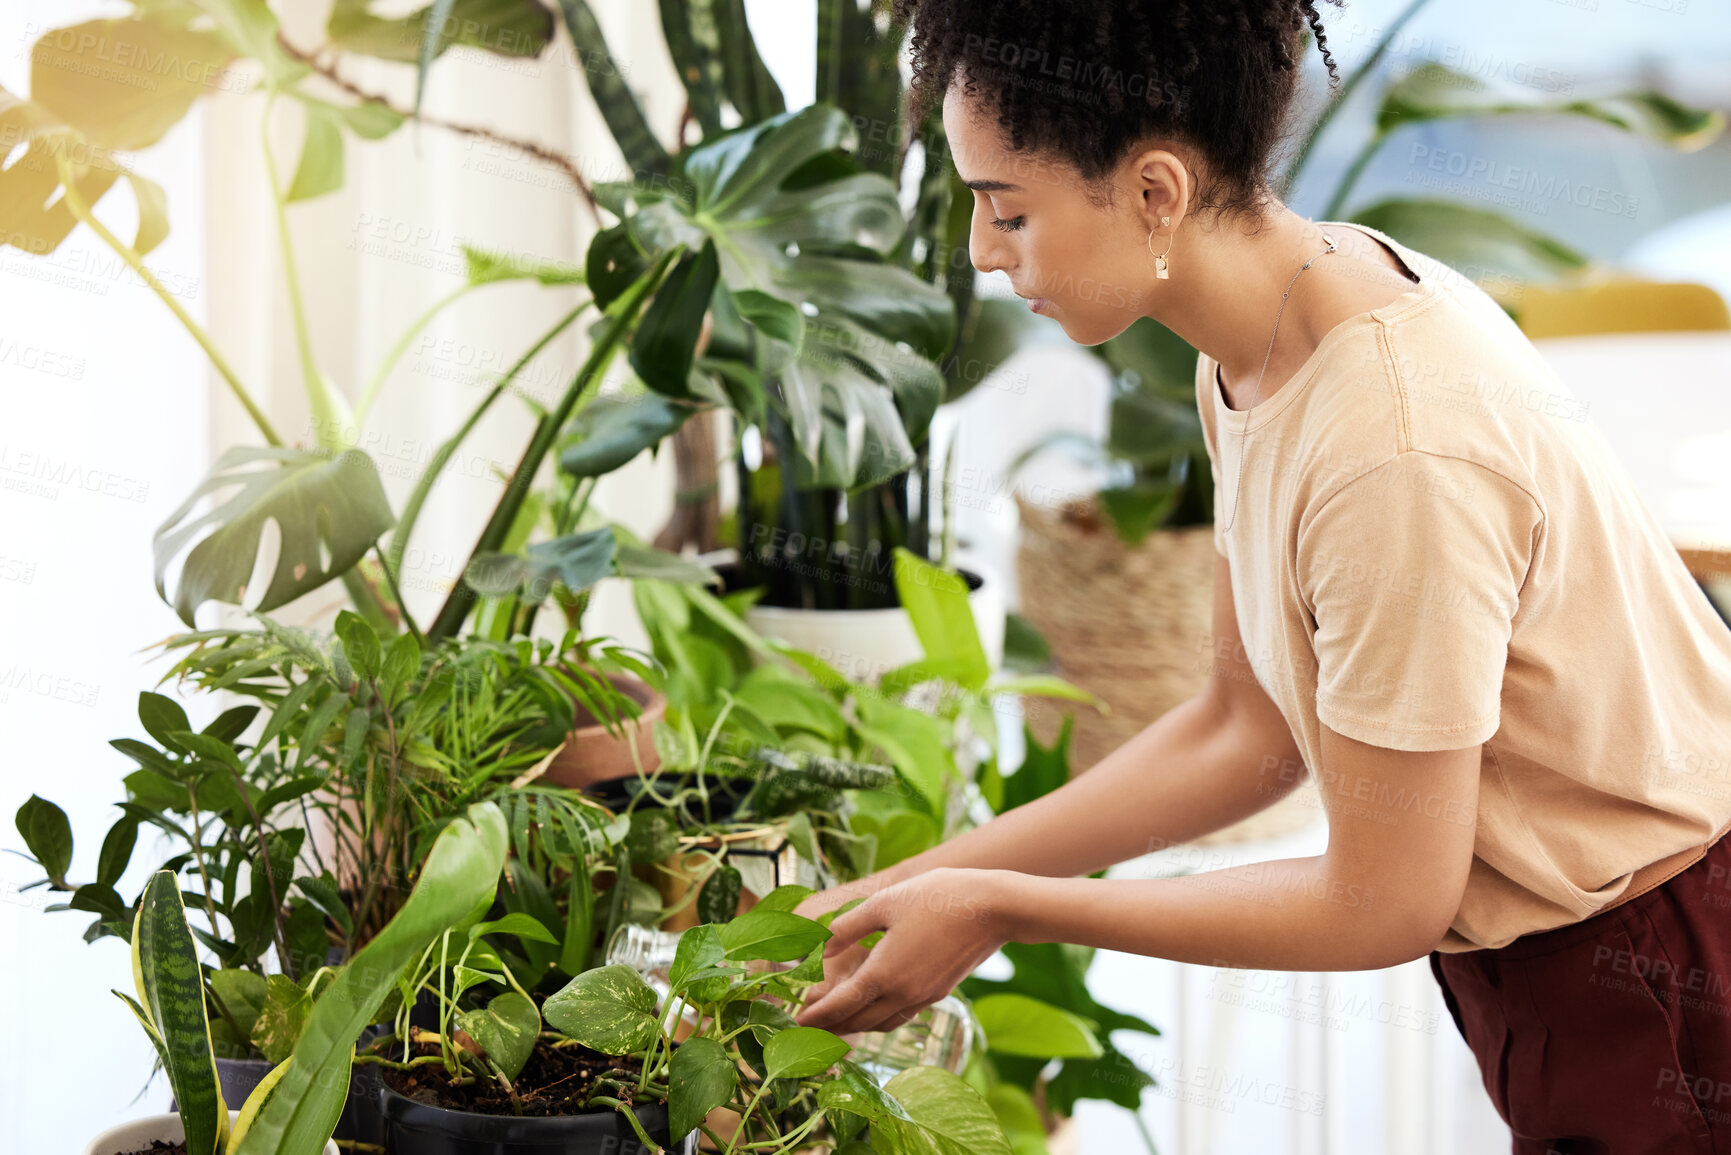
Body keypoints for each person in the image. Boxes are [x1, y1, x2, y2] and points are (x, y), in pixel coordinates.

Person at [788, 3, 1731, 1151]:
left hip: (1668, 966)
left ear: (1154, 195)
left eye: (1007, 208)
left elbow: (1387, 900)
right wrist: (925, 879)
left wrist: (1002, 908)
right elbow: (1246, 730)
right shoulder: (1262, 342)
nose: (984, 253)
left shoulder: (1395, 445)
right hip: (1565, 961)